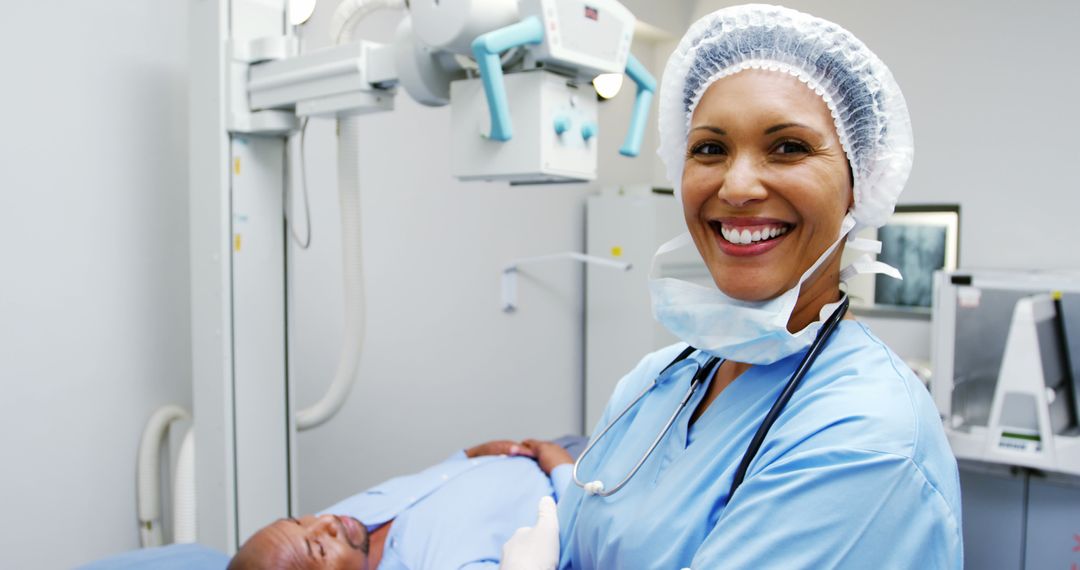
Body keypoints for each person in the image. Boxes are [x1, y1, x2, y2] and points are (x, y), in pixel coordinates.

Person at [500, 5, 962, 569]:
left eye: (788, 147)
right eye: (710, 149)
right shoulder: (655, 382)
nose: (737, 185)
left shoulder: (865, 438)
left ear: (858, 185)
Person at [227, 437, 581, 569]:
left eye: (299, 520)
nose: (326, 521)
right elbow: (575, 543)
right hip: (582, 485)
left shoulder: (344, 528)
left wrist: (468, 457)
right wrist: (564, 468)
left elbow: (421, 495)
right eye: (318, 547)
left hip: (535, 452)